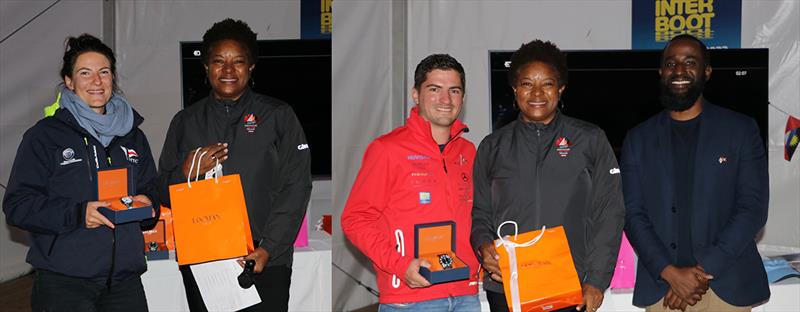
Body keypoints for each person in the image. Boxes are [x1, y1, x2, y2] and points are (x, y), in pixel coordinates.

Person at [158, 18, 311, 312]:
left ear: (251, 66)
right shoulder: (185, 122)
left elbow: (296, 186)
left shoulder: (278, 116)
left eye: (238, 61)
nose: (228, 70)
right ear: (206, 66)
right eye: (218, 61)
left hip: (265, 258)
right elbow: (163, 191)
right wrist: (185, 171)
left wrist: (268, 248)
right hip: (205, 261)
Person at [3, 34, 160, 312]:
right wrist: (78, 214)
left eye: (104, 72)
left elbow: (152, 189)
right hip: (65, 284)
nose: (96, 81)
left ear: (113, 78)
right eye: (84, 73)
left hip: (125, 282)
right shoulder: (44, 136)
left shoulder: (133, 136)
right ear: (69, 82)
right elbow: (17, 206)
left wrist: (149, 206)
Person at [470, 39, 624, 312]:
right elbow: (481, 212)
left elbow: (609, 214)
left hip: (570, 289)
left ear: (561, 88)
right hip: (507, 287)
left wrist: (597, 281)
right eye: (527, 83)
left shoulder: (590, 140)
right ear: (515, 89)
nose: (537, 93)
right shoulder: (492, 147)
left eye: (548, 83)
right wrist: (483, 245)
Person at [621, 34, 769, 312]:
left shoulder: (741, 130)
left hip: (727, 287)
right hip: (663, 289)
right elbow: (632, 213)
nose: (679, 71)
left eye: (690, 62)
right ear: (661, 72)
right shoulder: (637, 139)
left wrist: (698, 275)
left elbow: (753, 208)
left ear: (707, 71)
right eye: (671, 63)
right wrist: (670, 273)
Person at [341, 54, 480, 311]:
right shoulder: (387, 150)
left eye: (454, 90)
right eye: (434, 89)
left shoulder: (469, 153)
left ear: (463, 97)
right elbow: (355, 219)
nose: (446, 100)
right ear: (416, 94)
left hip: (466, 296)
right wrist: (400, 265)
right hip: (411, 298)